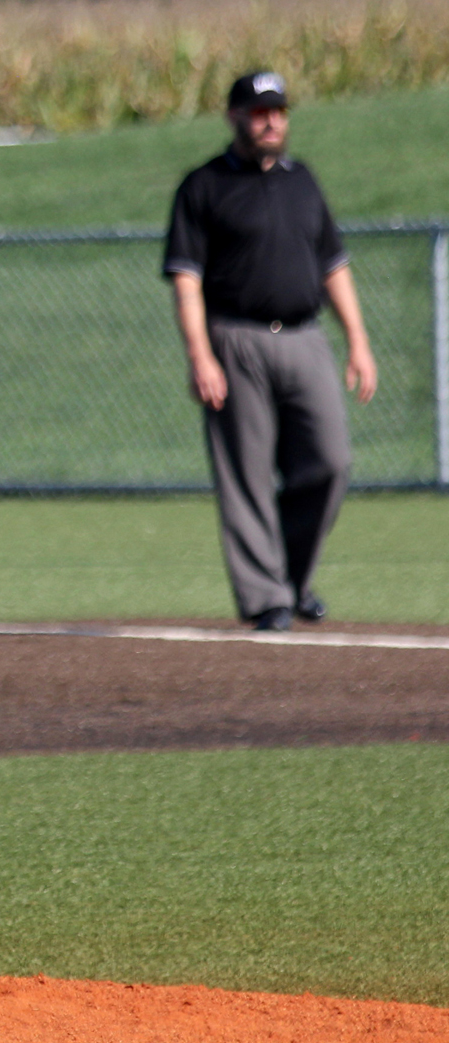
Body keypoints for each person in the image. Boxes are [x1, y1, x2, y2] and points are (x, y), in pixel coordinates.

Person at [163, 71, 377, 632]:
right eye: (259, 112)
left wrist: (357, 340)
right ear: (234, 116)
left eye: (279, 111)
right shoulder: (203, 186)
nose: (271, 121)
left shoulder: (302, 180)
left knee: (330, 462)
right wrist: (200, 355)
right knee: (248, 475)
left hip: (305, 337)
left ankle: (294, 580)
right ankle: (266, 597)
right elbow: (186, 280)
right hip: (236, 340)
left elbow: (334, 265)